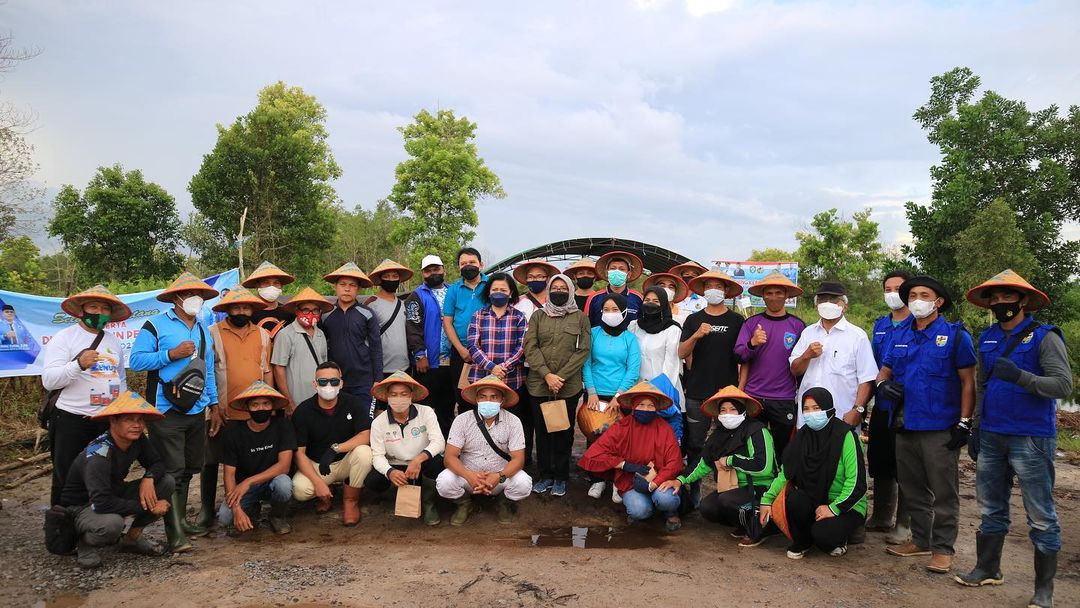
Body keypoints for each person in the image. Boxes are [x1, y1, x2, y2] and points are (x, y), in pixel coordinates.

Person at [955, 270, 1072, 608]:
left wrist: (1021, 376)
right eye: (995, 297)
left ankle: (1044, 590)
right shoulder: (988, 337)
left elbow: (1063, 386)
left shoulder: (1044, 337)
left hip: (1031, 437)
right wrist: (974, 426)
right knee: (991, 506)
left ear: (1023, 300)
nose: (1000, 302)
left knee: (1041, 514)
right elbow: (982, 386)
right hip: (992, 434)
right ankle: (988, 568)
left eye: (1008, 296)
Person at [877, 276, 977, 574]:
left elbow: (968, 382)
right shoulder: (900, 334)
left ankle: (943, 549)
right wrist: (883, 386)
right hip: (904, 424)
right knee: (912, 489)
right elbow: (885, 369)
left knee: (944, 492)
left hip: (938, 427)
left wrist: (964, 422)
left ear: (938, 301)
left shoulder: (956, 336)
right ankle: (920, 540)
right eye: (913, 295)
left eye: (924, 294)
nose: (917, 299)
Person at [129, 272, 220, 553]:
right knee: (171, 470)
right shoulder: (154, 326)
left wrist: (214, 404)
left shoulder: (203, 329)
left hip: (196, 407)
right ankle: (174, 534)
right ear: (176, 298)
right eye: (191, 294)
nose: (197, 299)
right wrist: (171, 355)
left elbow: (209, 371)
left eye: (201, 295)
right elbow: (135, 360)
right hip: (165, 408)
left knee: (191, 467)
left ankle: (180, 519)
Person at [60, 391, 174, 568]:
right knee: (113, 524)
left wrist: (149, 478)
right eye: (129, 419)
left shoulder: (137, 439)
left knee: (166, 482)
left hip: (113, 492)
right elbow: (102, 503)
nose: (137, 425)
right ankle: (84, 542)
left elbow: (157, 463)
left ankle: (132, 538)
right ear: (113, 421)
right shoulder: (99, 454)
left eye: (140, 420)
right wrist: (152, 506)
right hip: (82, 506)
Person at [42, 285, 130, 506]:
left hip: (105, 421)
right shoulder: (65, 338)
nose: (99, 312)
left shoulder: (112, 341)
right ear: (81, 311)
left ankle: (98, 529)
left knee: (105, 474)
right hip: (72, 419)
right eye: (93, 306)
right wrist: (78, 365)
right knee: (67, 477)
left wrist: (122, 412)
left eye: (104, 308)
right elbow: (49, 380)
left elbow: (120, 378)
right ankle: (62, 533)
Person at [760, 387, 868, 559]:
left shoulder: (845, 436)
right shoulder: (802, 437)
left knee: (824, 535)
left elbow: (857, 483)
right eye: (806, 409)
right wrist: (767, 499)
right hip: (814, 498)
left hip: (845, 504)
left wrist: (833, 509)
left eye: (816, 408)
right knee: (795, 500)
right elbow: (785, 473)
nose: (811, 413)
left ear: (829, 409)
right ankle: (803, 541)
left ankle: (838, 539)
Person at [200, 286, 274, 532]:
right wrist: (214, 406)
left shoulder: (263, 335)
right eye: (236, 307)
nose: (242, 311)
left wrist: (270, 402)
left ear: (252, 309)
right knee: (212, 460)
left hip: (255, 409)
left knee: (253, 458)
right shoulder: (211, 333)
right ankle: (206, 508)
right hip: (222, 410)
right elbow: (208, 371)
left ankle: (252, 504)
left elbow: (266, 370)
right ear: (227, 309)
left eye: (245, 307)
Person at [664, 385, 776, 546]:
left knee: (726, 500)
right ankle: (743, 523)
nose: (727, 414)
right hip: (732, 488)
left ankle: (761, 526)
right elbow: (703, 463)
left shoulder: (757, 431)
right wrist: (680, 480)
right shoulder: (718, 435)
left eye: (732, 409)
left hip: (760, 486)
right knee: (707, 507)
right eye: (723, 410)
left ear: (742, 410)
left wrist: (731, 460)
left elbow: (763, 466)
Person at [578, 381, 683, 531]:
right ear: (633, 406)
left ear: (656, 408)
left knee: (666, 500)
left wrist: (654, 483)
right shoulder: (622, 427)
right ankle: (646, 506)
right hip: (630, 481)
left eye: (650, 405)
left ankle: (670, 511)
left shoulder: (665, 429)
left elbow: (675, 462)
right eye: (641, 405)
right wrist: (624, 464)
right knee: (640, 511)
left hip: (660, 480)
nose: (646, 409)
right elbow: (593, 455)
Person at [679, 270, 745, 504]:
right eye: (709, 286)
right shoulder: (693, 320)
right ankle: (693, 489)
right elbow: (681, 352)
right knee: (695, 444)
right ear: (703, 291)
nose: (714, 290)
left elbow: (744, 358)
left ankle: (725, 493)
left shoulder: (737, 321)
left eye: (719, 286)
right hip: (697, 393)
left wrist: (741, 390)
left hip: (727, 396)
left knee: (728, 445)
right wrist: (696, 335)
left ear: (726, 291)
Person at [524, 274, 591, 497]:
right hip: (539, 385)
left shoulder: (580, 318)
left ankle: (561, 477)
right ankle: (545, 475)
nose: (559, 291)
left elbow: (582, 351)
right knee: (542, 432)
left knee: (563, 431)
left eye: (564, 288)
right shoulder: (538, 316)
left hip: (567, 386)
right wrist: (546, 375)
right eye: (555, 288)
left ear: (570, 290)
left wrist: (559, 377)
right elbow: (530, 347)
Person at [437, 375, 533, 525]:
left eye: (494, 397)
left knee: (523, 483)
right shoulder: (462, 420)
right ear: (476, 399)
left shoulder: (513, 421)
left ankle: (503, 503)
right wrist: (469, 475)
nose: (488, 401)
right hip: (468, 475)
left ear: (502, 400)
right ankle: (464, 504)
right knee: (444, 482)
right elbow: (449, 457)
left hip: (500, 476)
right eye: (483, 397)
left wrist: (499, 476)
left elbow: (518, 459)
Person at [291, 361, 374, 526]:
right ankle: (325, 493)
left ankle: (351, 501)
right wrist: (317, 483)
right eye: (323, 381)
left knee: (365, 453)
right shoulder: (303, 411)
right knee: (299, 489)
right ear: (315, 384)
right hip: (317, 465)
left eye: (334, 381)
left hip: (346, 461)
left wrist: (336, 449)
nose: (329, 385)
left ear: (341, 383)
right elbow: (299, 452)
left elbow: (366, 435)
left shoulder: (353, 403)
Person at [734, 271, 805, 460]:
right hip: (754, 397)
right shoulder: (752, 323)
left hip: (784, 398)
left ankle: (780, 488)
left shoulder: (797, 326)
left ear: (787, 295)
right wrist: (752, 343)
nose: (773, 297)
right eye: (769, 293)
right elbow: (739, 355)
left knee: (783, 450)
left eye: (778, 293)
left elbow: (802, 363)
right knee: (754, 449)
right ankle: (755, 488)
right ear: (762, 296)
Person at [788, 281, 876, 428]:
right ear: (816, 305)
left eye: (834, 300)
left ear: (845, 306)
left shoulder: (857, 336)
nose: (828, 304)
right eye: (823, 300)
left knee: (842, 450)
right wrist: (806, 355)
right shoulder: (808, 333)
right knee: (807, 450)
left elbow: (866, 379)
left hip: (843, 414)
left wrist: (857, 410)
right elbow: (795, 370)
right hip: (808, 416)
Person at [866, 270, 913, 543]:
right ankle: (882, 516)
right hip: (882, 404)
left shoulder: (919, 324)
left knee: (905, 464)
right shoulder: (881, 325)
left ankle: (904, 523)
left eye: (898, 288)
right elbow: (872, 364)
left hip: (908, 406)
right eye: (888, 288)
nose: (892, 293)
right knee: (880, 459)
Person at [582, 292, 641, 502]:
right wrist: (591, 392)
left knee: (619, 440)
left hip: (621, 397)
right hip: (595, 395)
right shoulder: (593, 333)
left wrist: (619, 396)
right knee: (595, 436)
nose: (610, 313)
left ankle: (617, 481)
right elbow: (586, 363)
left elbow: (632, 370)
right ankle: (597, 478)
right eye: (606, 309)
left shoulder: (630, 339)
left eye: (615, 309)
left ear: (624, 312)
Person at [366, 371, 446, 526]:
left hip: (422, 462)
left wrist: (418, 459)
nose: (399, 399)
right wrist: (390, 472)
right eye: (394, 394)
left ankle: (429, 503)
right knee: (373, 480)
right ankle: (397, 494)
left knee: (438, 464)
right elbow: (377, 455)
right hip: (397, 464)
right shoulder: (378, 422)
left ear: (411, 396)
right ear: (387, 396)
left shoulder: (426, 412)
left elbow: (438, 442)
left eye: (403, 394)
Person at [218, 380, 294, 535]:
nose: (261, 408)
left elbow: (284, 466)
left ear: (272, 406)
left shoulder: (282, 425)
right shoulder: (233, 432)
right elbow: (229, 474)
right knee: (225, 518)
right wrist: (237, 508)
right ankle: (251, 509)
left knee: (284, 484)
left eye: (266, 403)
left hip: (271, 481)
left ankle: (277, 516)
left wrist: (248, 481)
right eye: (255, 405)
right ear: (247, 407)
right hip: (245, 489)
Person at [511, 259, 560, 465]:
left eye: (540, 277)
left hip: (550, 369)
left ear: (548, 279)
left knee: (551, 420)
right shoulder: (519, 302)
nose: (536, 280)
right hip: (523, 367)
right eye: (531, 277)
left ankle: (550, 463)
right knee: (524, 418)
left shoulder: (557, 300)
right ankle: (523, 461)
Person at [405, 254, 455, 437]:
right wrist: (419, 354)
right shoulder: (416, 296)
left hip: (452, 361)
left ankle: (446, 449)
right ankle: (424, 448)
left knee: (447, 408)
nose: (433, 273)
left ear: (443, 270)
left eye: (436, 269)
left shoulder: (454, 291)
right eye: (428, 270)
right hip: (428, 362)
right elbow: (412, 327)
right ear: (423, 274)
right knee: (424, 408)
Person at [321, 263, 382, 404]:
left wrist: (378, 379)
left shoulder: (367, 313)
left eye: (352, 285)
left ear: (358, 289)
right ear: (335, 286)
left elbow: (376, 347)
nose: (347, 289)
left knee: (365, 421)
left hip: (364, 380)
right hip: (335, 380)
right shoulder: (325, 314)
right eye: (342, 284)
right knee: (340, 422)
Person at [465, 272, 528, 413]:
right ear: (489, 292)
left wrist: (503, 367)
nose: (498, 293)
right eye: (495, 290)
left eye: (503, 290)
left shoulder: (519, 317)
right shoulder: (478, 316)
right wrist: (492, 367)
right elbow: (473, 346)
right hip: (482, 379)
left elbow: (522, 347)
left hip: (511, 380)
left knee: (511, 422)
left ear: (510, 293)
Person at [442, 247, 489, 412]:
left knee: (488, 397)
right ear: (459, 267)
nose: (468, 266)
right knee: (464, 398)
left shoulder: (491, 285)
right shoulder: (453, 290)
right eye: (464, 263)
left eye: (472, 262)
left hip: (488, 352)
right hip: (462, 354)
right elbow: (447, 322)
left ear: (481, 264)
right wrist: (461, 350)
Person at [271, 287, 332, 412]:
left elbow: (324, 365)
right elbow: (278, 369)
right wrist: (288, 401)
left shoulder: (320, 334)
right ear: (297, 311)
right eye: (306, 310)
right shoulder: (285, 334)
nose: (310, 314)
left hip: (320, 398)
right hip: (297, 401)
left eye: (315, 310)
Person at [629, 286, 684, 410]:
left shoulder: (672, 329)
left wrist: (656, 393)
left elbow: (671, 365)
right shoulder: (634, 326)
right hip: (635, 389)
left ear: (664, 304)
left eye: (656, 301)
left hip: (662, 392)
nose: (650, 304)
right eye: (647, 300)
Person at [366, 259, 413, 380]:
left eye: (394, 276)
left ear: (399, 279)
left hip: (404, 366)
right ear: (380, 280)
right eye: (386, 276)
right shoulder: (372, 305)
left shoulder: (402, 304)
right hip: (381, 369)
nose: (391, 279)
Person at [584, 250, 644, 327]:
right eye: (613, 268)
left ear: (628, 274)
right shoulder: (594, 298)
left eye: (622, 269)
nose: (616, 271)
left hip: (630, 339)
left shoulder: (638, 298)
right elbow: (586, 326)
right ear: (607, 272)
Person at [242, 261, 296, 337]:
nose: (271, 287)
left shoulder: (288, 312)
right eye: (266, 282)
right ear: (257, 286)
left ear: (281, 286)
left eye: (276, 283)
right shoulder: (247, 313)